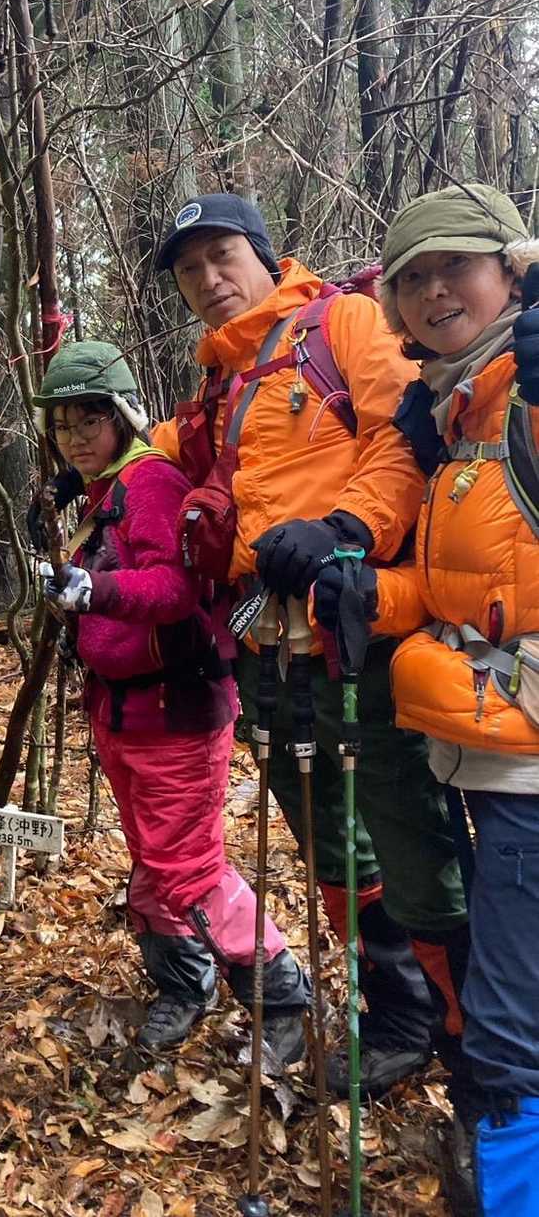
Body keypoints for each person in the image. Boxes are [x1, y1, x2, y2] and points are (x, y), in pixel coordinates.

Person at [150, 194, 469, 1101]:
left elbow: (400, 439)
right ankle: (397, 1015)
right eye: (189, 269)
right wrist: (102, 468)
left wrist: (342, 529)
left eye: (222, 256)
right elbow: (166, 456)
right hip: (266, 646)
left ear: (263, 254)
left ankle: (469, 1048)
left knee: (407, 837)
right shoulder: (220, 381)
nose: (208, 280)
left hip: (356, 630)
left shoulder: (342, 323)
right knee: (328, 842)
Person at [314, 184, 539, 1216]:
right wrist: (372, 591)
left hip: (526, 765)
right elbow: (476, 592)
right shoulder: (454, 410)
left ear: (509, 270)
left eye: (455, 265)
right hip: (486, 742)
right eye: (411, 278)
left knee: (506, 1029)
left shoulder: (522, 389)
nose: (434, 289)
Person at [31, 340, 310, 1059]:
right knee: (153, 859)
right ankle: (183, 983)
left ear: (121, 416)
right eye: (61, 425)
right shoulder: (100, 491)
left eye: (88, 420)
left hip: (174, 709)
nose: (74, 437)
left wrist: (95, 590)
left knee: (187, 865)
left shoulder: (148, 482)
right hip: (121, 708)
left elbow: (175, 589)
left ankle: (280, 995)